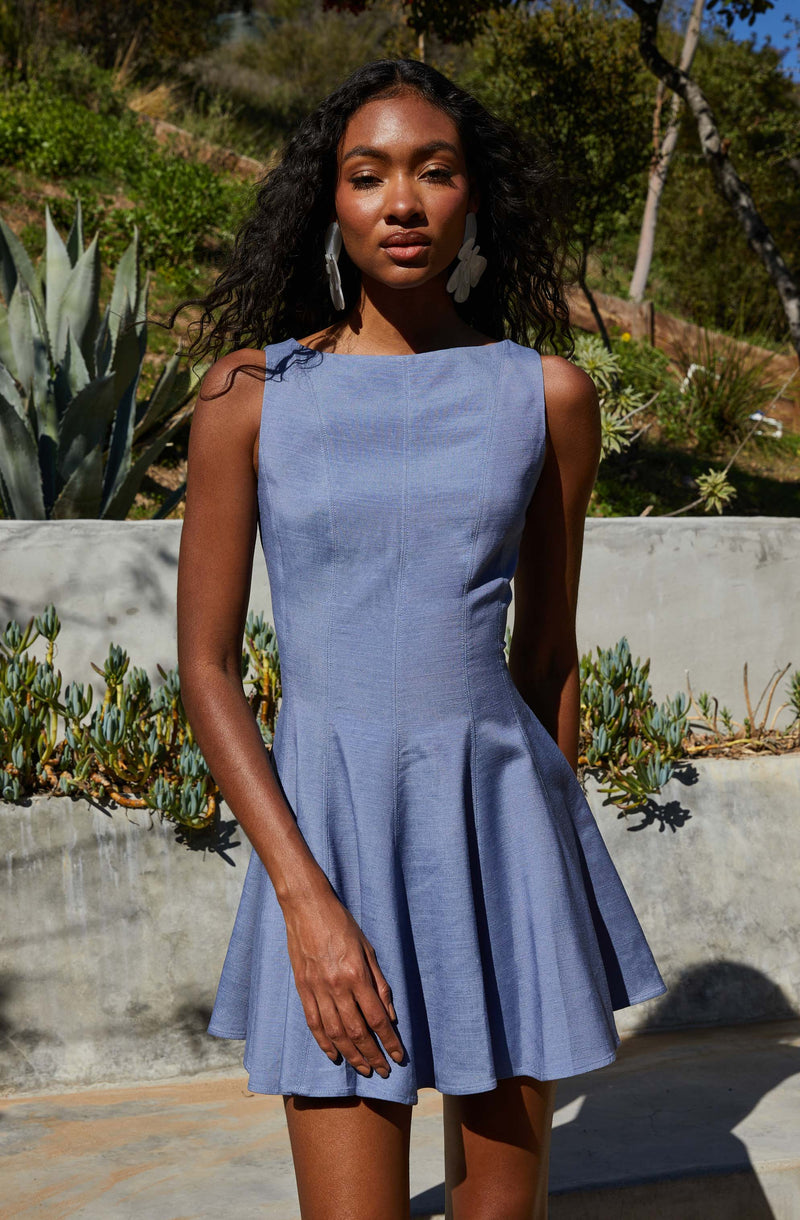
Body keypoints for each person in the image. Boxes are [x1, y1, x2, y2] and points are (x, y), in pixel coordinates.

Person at [174, 57, 667, 1220]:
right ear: (328, 205)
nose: (401, 202)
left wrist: (538, 868)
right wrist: (303, 898)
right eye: (367, 174)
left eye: (431, 172)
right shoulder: (249, 394)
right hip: (326, 842)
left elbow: (544, 654)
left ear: (471, 201)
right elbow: (207, 667)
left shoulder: (545, 395)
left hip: (498, 836)